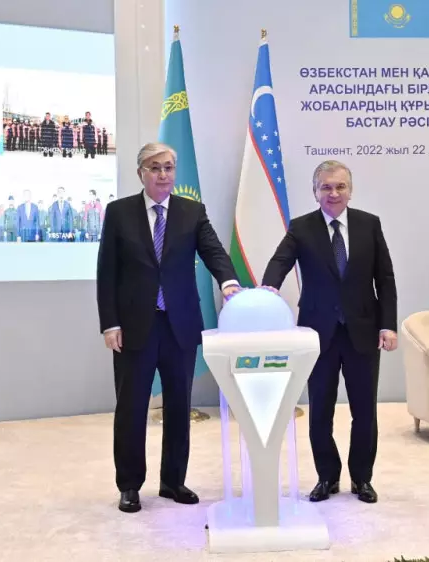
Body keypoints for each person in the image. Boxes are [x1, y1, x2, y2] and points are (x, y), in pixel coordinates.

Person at [97, 141, 241, 514]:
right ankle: (130, 485)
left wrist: (228, 282)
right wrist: (110, 323)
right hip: (134, 328)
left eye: (169, 168)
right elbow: (107, 272)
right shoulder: (119, 212)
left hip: (180, 326)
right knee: (131, 409)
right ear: (141, 173)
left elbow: (213, 251)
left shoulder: (192, 211)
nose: (163, 175)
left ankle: (173, 481)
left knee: (179, 407)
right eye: (155, 167)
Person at [261, 160, 398, 505]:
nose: (333, 193)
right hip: (318, 333)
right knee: (320, 411)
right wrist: (269, 287)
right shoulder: (301, 227)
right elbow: (280, 261)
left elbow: (384, 278)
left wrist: (388, 324)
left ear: (350, 190)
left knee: (364, 411)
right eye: (326, 187)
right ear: (315, 191)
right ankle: (327, 476)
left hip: (363, 332)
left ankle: (362, 479)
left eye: (340, 187)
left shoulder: (369, 224)